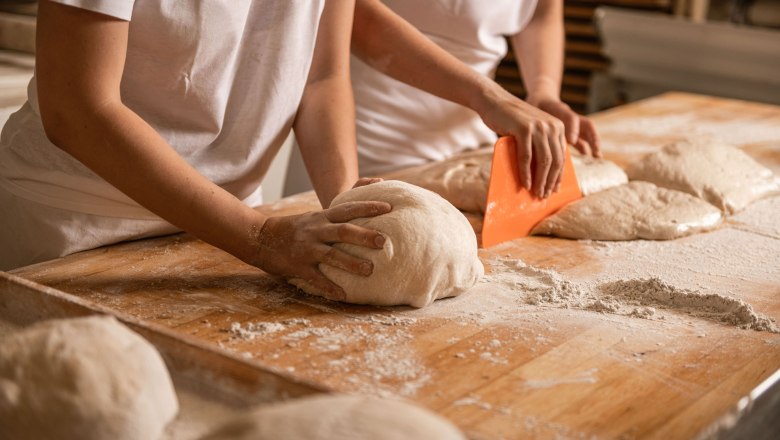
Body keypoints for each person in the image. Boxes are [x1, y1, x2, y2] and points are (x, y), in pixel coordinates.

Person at [0, 0, 568, 296]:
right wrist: (258, 237)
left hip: (212, 230)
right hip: (73, 230)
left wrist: (343, 197)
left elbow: (321, 79)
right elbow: (78, 109)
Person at [352, 0, 602, 188]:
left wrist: (543, 91)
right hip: (371, 140)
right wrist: (490, 98)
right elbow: (355, 16)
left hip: (473, 144)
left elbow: (539, 12)